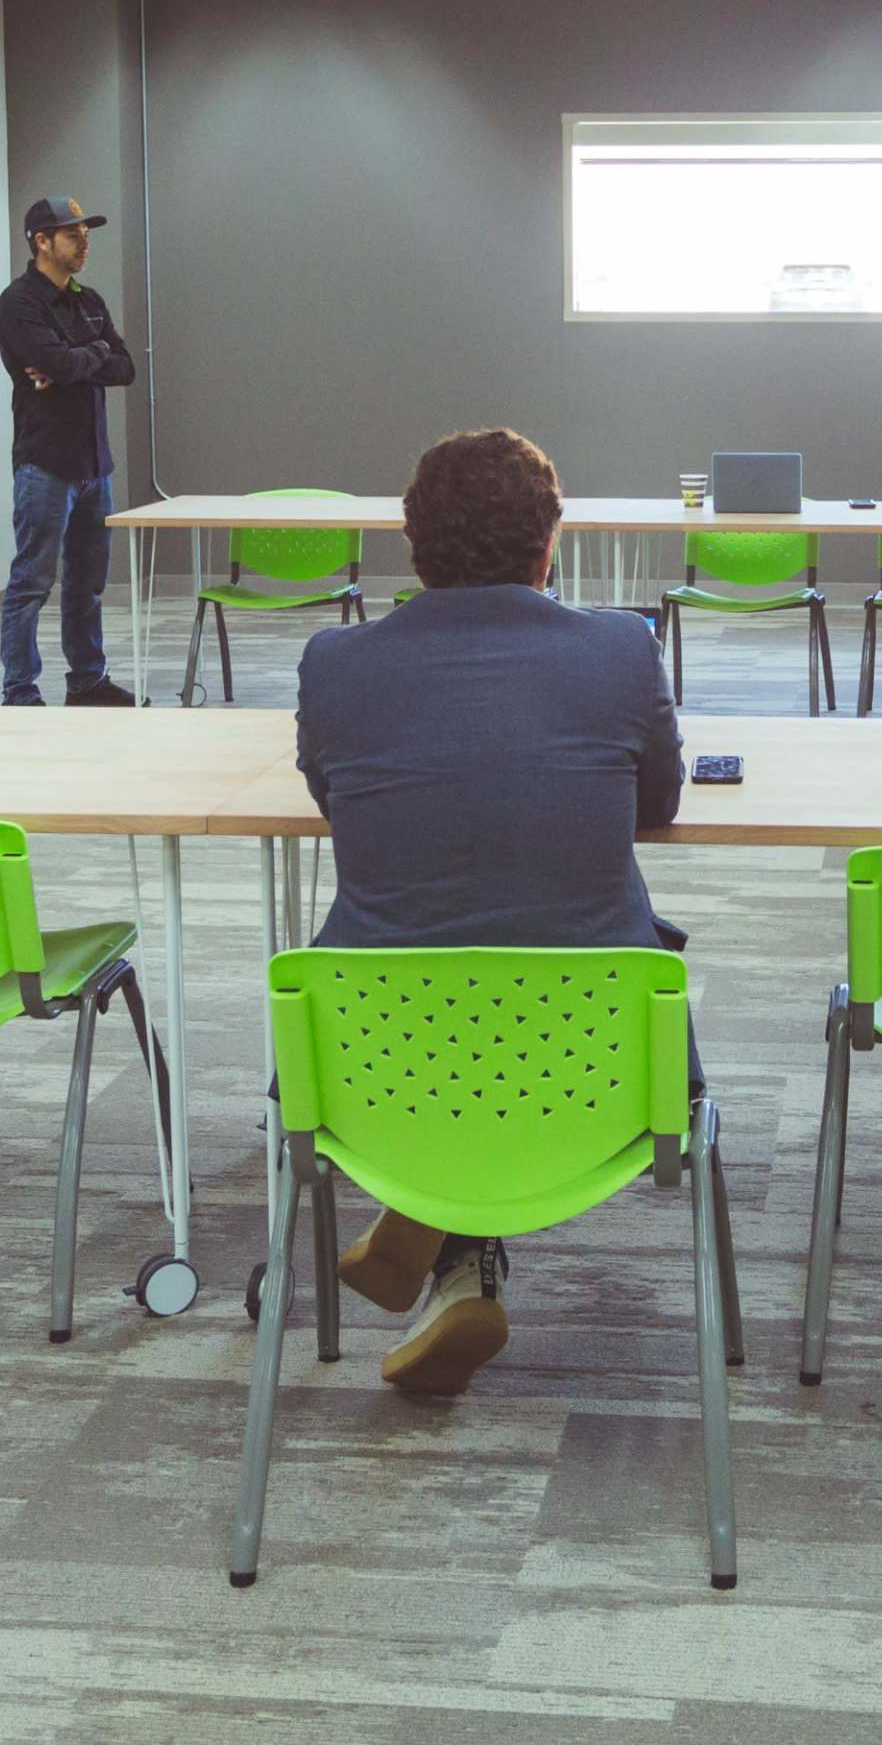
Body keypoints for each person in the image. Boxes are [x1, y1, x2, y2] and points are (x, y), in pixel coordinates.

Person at [293, 427, 688, 1395]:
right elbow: (656, 805)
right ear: (548, 544)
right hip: (594, 1069)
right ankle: (449, 1256)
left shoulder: (334, 665)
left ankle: (433, 1238)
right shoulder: (620, 649)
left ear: (412, 544)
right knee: (529, 952)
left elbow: (334, 798)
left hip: (374, 1072)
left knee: (455, 963)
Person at [0, 194, 140, 709]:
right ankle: (20, 692)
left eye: (87, 233)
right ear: (41, 241)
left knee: (88, 586)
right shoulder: (18, 304)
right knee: (32, 581)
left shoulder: (89, 300)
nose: (84, 242)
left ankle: (87, 682)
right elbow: (53, 358)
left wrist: (79, 359)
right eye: (73, 233)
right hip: (45, 465)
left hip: (93, 465)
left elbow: (123, 368)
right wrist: (82, 355)